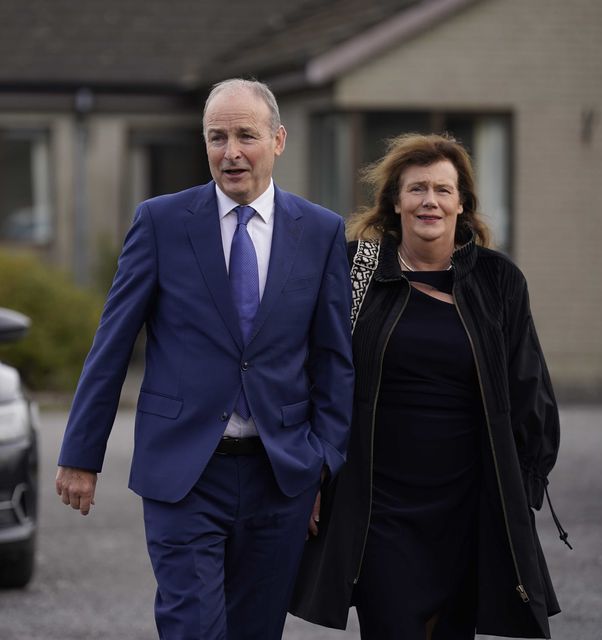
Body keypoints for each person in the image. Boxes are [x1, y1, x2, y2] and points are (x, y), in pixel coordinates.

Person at [56, 78, 354, 640]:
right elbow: (112, 344)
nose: (231, 151)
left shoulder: (319, 232)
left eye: (246, 135)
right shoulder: (161, 223)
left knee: (255, 631)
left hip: (279, 475)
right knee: (193, 626)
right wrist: (80, 454)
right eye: (217, 137)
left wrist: (322, 465)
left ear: (279, 140)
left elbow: (334, 360)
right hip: (184, 472)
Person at [290, 133, 567, 639]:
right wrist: (313, 474)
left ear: (462, 203)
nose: (430, 201)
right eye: (417, 189)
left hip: (467, 502)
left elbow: (531, 389)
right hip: (379, 504)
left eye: (443, 189)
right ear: (395, 201)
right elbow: (314, 373)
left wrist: (519, 489)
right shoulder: (356, 268)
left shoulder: (498, 281)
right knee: (392, 626)